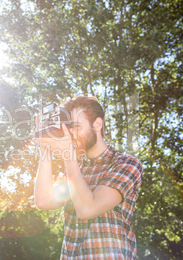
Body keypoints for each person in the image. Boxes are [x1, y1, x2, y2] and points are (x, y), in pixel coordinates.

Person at [33, 96, 143, 259]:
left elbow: (87, 209)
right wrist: (46, 150)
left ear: (97, 124)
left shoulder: (127, 164)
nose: (72, 134)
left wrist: (68, 155)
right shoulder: (76, 168)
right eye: (69, 128)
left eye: (76, 126)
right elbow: (43, 201)